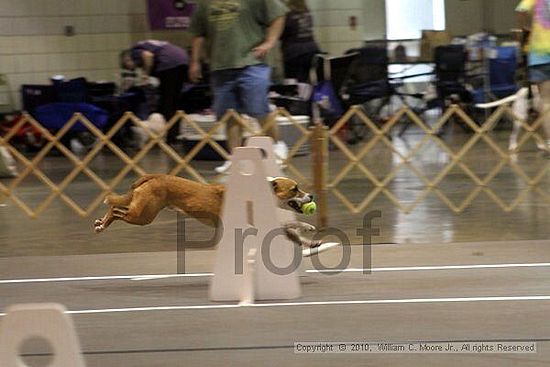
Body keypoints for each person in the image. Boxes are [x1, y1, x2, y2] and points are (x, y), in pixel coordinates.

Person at [188, 0, 289, 174]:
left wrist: (270, 42)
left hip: (253, 62)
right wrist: (194, 62)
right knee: (228, 114)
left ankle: (277, 146)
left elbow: (278, 15)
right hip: (220, 65)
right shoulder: (204, 3)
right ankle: (236, 157)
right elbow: (198, 33)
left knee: (257, 106)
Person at [120, 40, 189, 144]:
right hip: (183, 59)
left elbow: (148, 56)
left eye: (128, 66)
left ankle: (170, 136)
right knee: (176, 101)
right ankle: (176, 133)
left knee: (167, 103)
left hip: (168, 63)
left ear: (127, 59)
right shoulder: (146, 45)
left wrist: (146, 74)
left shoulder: (134, 51)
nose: (132, 69)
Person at [516, 0, 550, 148]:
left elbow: (520, 10)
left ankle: (549, 142)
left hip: (539, 54)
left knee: (546, 100)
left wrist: (526, 27)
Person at [280, 0, 320, 83]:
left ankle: (295, 95)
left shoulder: (287, 13)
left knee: (292, 80)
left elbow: (282, 32)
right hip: (312, 49)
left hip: (294, 52)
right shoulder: (306, 11)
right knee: (304, 80)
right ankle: (305, 94)